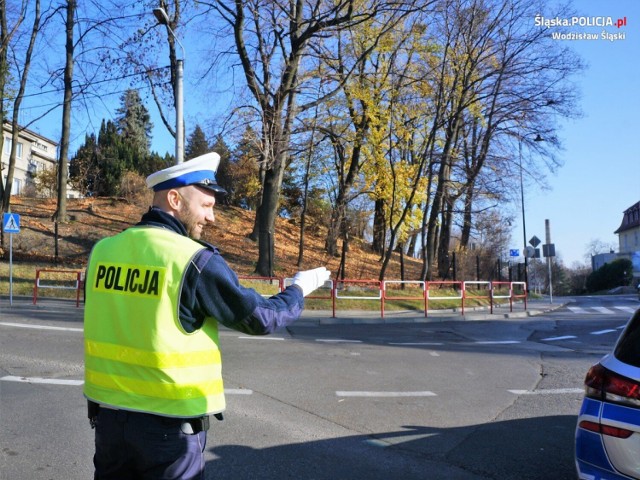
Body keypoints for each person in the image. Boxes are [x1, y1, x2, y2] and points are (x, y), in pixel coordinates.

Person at [83, 152, 330, 479]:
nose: (211, 218)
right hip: (169, 432)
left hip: (110, 426)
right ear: (174, 199)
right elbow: (260, 318)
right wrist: (298, 289)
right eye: (206, 206)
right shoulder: (193, 260)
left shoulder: (103, 252)